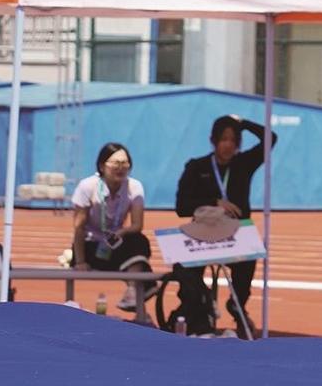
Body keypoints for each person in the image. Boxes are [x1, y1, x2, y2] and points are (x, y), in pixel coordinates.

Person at [173, 114, 276, 337]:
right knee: (184, 266)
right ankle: (200, 306)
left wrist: (244, 124)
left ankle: (237, 304)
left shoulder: (244, 164)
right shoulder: (196, 166)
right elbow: (181, 206)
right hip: (203, 232)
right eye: (223, 139)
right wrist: (214, 202)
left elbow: (271, 138)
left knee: (249, 257)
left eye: (233, 139)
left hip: (234, 234)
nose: (228, 145)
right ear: (214, 141)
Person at [69, 142, 154, 313]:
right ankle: (143, 298)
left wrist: (120, 232)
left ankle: (132, 292)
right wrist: (80, 261)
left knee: (140, 241)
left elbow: (137, 225)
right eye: (115, 163)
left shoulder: (134, 186)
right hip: (91, 247)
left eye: (125, 163)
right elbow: (79, 227)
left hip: (116, 245)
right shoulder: (87, 186)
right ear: (102, 165)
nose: (120, 168)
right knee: (142, 267)